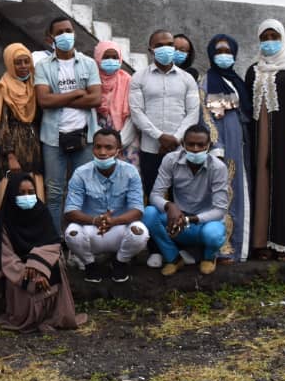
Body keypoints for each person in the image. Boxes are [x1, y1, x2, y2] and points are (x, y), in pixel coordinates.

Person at [244, 19, 285, 259]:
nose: (269, 41)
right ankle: (261, 242)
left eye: (274, 36)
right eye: (265, 37)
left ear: (282, 38)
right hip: (259, 139)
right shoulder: (253, 69)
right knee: (261, 185)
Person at [34, 17, 102, 234]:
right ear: (51, 38)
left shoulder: (88, 63)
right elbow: (44, 101)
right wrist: (77, 92)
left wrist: (60, 97)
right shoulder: (43, 66)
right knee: (54, 192)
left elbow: (96, 99)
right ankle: (56, 241)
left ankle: (82, 239)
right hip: (54, 138)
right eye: (60, 32)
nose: (66, 35)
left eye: (69, 30)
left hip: (85, 136)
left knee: (85, 190)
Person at [0, 173, 83, 333]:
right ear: (12, 194)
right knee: (21, 286)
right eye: (21, 193)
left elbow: (53, 244)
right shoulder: (7, 221)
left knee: (57, 264)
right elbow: (7, 258)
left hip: (46, 264)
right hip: (19, 271)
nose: (27, 197)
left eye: (31, 192)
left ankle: (54, 315)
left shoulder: (42, 212)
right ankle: (30, 318)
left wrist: (38, 266)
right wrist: (31, 276)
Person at [62, 128, 148, 283]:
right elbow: (70, 211)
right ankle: (90, 265)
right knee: (71, 233)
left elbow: (137, 211)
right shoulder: (81, 173)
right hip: (91, 229)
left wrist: (113, 221)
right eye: (98, 147)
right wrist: (96, 220)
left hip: (119, 228)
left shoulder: (130, 172)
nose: (102, 152)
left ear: (118, 151)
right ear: (92, 148)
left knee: (140, 232)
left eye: (108, 147)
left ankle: (119, 263)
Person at [144, 125, 228, 276]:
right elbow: (155, 194)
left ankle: (208, 257)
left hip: (204, 223)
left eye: (201, 145)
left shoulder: (218, 167)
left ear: (208, 146)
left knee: (213, 234)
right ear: (183, 144)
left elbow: (220, 209)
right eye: (190, 144)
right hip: (178, 222)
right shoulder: (171, 160)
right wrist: (170, 206)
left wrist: (190, 219)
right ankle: (174, 258)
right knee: (149, 213)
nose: (195, 149)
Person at [129, 30, 200, 201]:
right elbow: (136, 112)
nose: (165, 49)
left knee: (181, 198)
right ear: (150, 49)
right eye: (159, 45)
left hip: (180, 150)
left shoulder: (187, 78)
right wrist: (160, 136)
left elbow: (193, 113)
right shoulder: (138, 77)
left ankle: (180, 229)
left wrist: (175, 138)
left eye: (169, 45)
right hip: (151, 149)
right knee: (153, 197)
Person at [200, 34, 252, 263]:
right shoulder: (208, 81)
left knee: (240, 193)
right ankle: (223, 248)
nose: (224, 56)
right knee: (224, 194)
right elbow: (207, 116)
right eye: (219, 51)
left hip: (240, 144)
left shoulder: (237, 80)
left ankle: (240, 246)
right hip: (223, 147)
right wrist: (216, 146)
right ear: (211, 54)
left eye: (228, 51)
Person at [0, 42, 43, 197]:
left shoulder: (35, 86)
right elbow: (1, 126)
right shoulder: (3, 88)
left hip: (33, 148)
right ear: (9, 63)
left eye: (26, 61)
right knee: (11, 189)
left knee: (34, 188)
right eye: (17, 62)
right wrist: (11, 156)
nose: (23, 66)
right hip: (11, 150)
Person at [93, 41, 139, 166]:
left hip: (126, 137)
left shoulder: (128, 80)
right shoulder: (91, 80)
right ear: (98, 57)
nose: (111, 60)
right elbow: (89, 112)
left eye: (114, 57)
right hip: (97, 140)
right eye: (106, 57)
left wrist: (120, 141)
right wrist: (98, 140)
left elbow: (132, 115)